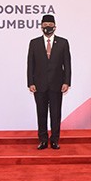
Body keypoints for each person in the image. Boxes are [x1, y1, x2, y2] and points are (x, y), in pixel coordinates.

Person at [27, 14, 71, 150]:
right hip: (39, 85)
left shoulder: (63, 43)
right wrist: (30, 82)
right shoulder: (34, 43)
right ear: (41, 27)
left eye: (50, 25)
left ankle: (55, 140)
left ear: (55, 27)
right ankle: (43, 140)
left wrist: (66, 82)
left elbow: (67, 64)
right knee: (41, 113)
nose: (47, 27)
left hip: (57, 85)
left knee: (55, 114)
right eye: (45, 25)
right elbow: (30, 64)